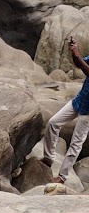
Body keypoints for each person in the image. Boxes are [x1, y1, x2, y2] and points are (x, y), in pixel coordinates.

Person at [43, 36, 89, 186]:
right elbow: (79, 64)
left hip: (88, 112)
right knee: (53, 123)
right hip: (79, 100)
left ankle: (62, 177)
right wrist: (73, 52)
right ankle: (48, 158)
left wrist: (77, 54)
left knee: (76, 143)